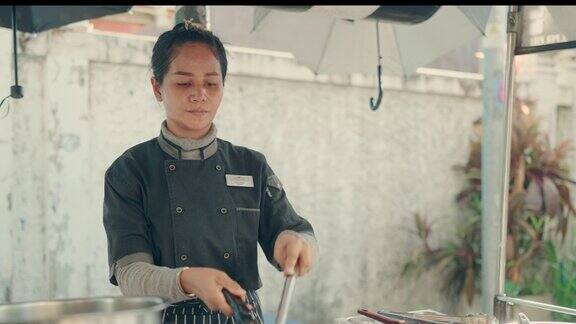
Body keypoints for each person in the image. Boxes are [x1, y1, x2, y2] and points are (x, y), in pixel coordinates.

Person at [102, 20, 318, 324]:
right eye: (184, 83)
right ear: (157, 87)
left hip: (241, 314)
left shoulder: (250, 164)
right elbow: (131, 274)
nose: (199, 94)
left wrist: (294, 242)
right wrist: (189, 280)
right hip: (168, 317)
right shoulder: (130, 170)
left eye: (211, 83)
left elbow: (296, 229)